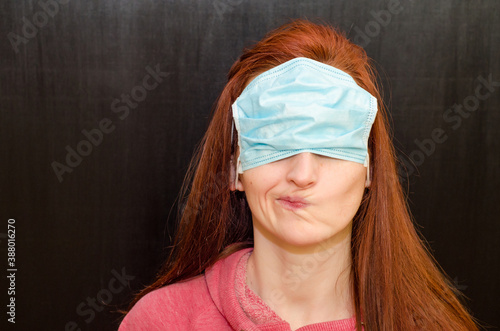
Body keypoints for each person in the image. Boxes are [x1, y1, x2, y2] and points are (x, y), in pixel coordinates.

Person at [119, 19, 479, 330]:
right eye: (277, 141)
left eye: (330, 146)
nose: (303, 174)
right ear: (235, 169)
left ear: (369, 168)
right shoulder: (158, 322)